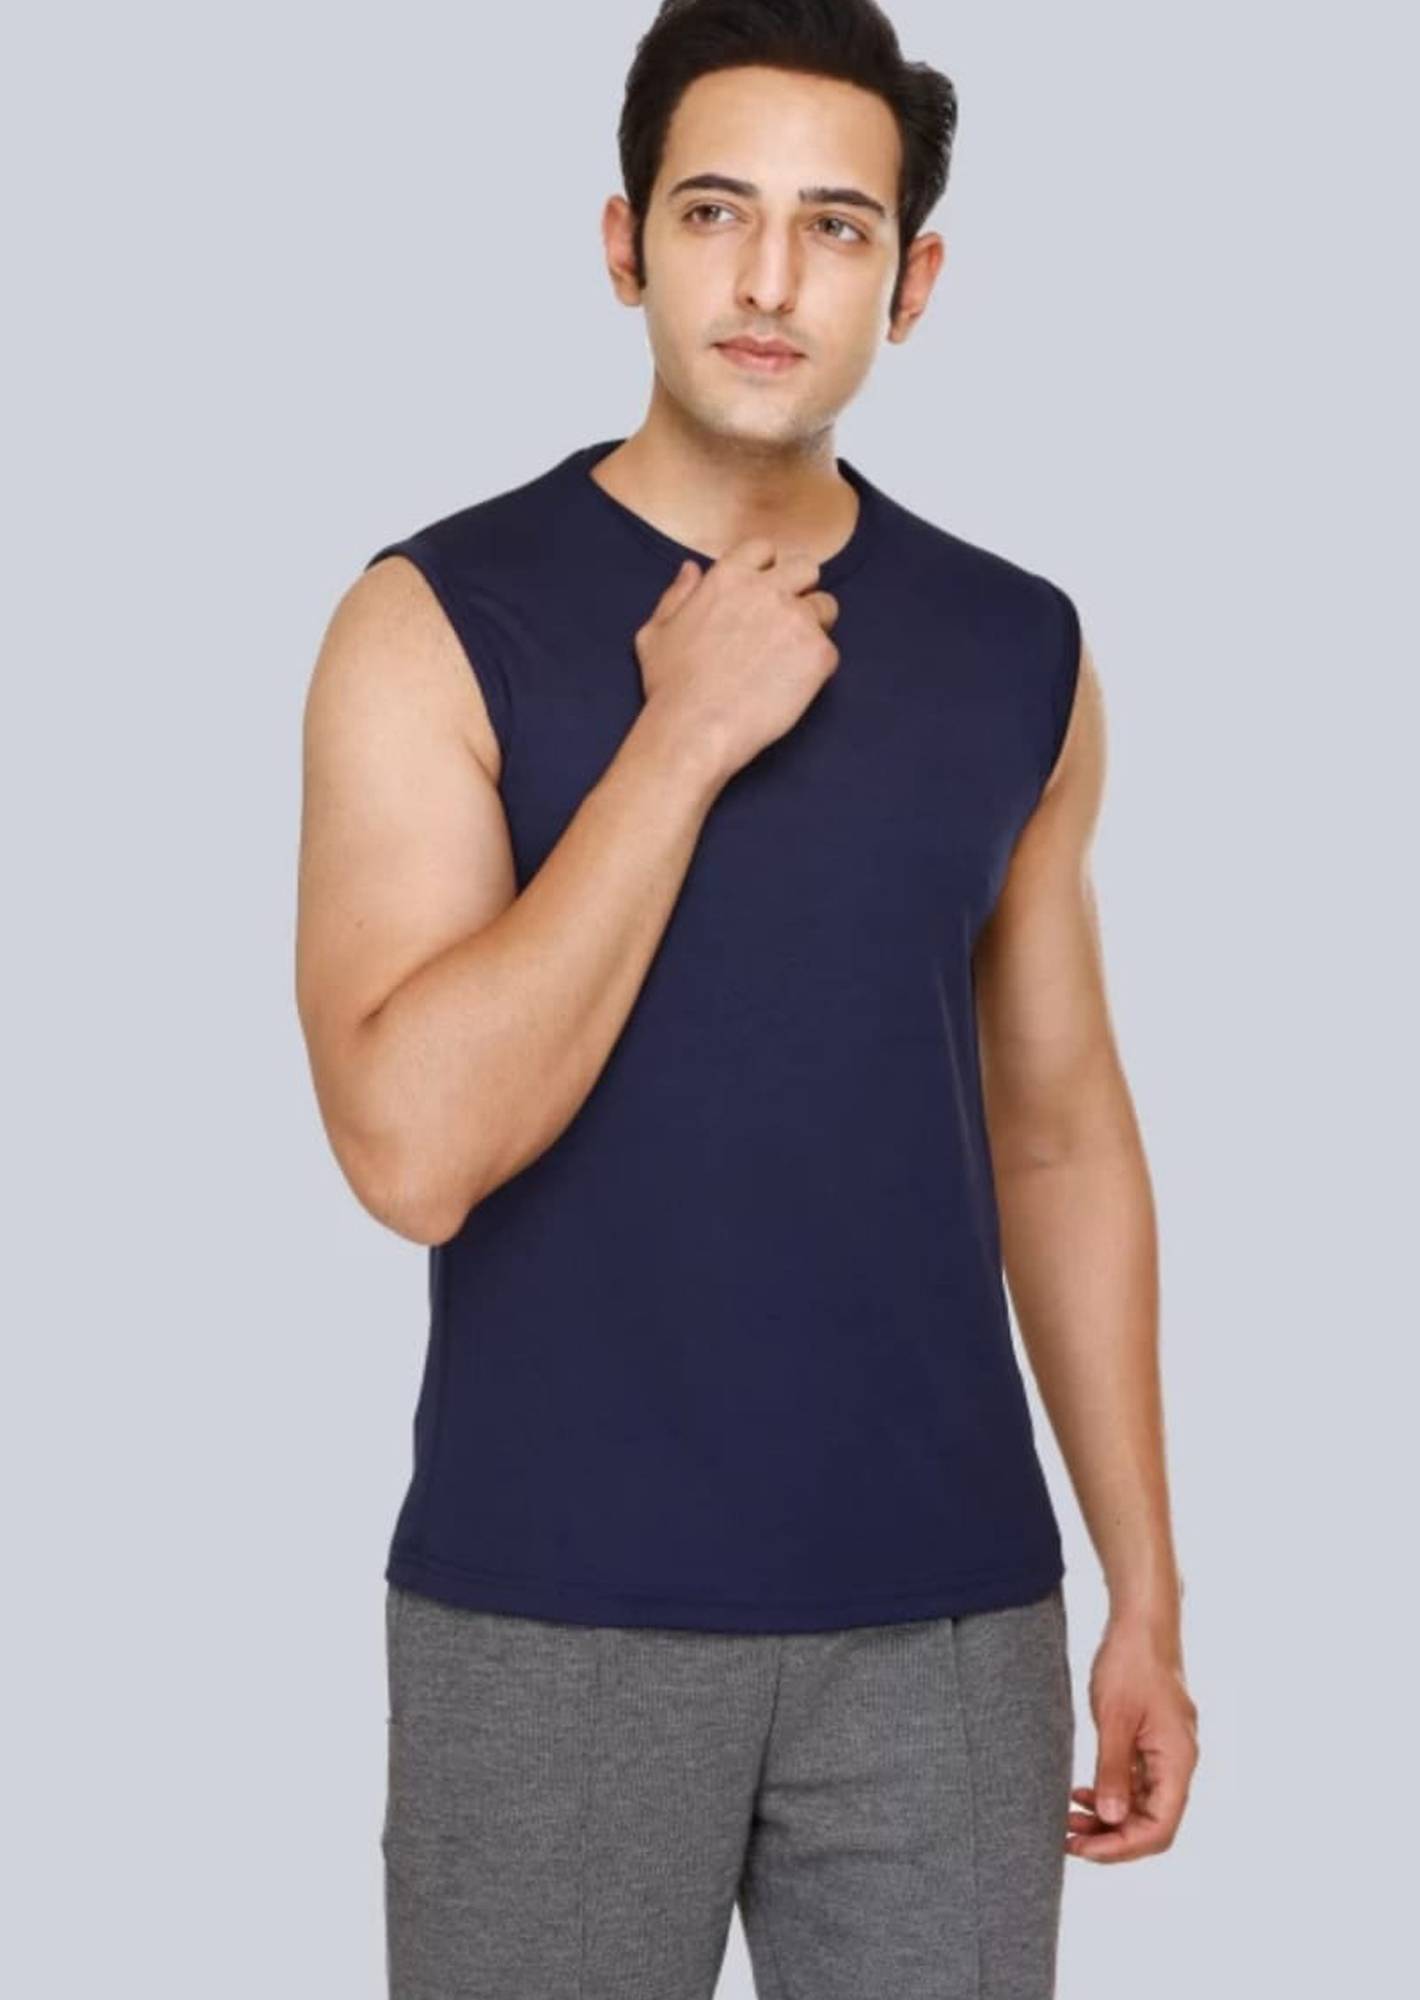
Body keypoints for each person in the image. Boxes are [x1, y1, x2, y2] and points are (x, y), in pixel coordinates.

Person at [295, 2, 1199, 1992]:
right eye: (715, 212)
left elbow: (1057, 1135)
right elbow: (410, 1152)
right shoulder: (433, 621)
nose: (772, 278)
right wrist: (681, 737)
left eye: (834, 226)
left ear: (912, 281)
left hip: (946, 1627)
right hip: (550, 1614)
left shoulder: (1019, 650)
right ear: (625, 244)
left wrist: (1143, 1583)